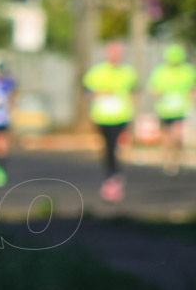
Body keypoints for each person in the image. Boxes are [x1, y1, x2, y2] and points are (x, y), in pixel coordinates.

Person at [83, 40, 138, 202]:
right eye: (112, 52)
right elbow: (87, 91)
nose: (114, 55)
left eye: (117, 52)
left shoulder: (128, 72)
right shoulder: (97, 71)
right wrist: (100, 94)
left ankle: (114, 177)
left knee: (117, 146)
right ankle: (112, 176)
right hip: (102, 116)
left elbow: (134, 92)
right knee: (107, 147)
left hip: (121, 116)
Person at [147, 43, 195, 176]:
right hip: (165, 109)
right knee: (166, 136)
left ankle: (175, 158)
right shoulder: (160, 71)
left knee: (178, 136)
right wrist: (160, 93)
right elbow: (153, 87)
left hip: (179, 109)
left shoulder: (187, 70)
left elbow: (192, 88)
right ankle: (168, 160)